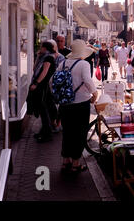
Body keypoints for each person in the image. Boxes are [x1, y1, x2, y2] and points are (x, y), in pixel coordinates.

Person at [57, 39, 97, 174]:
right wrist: (95, 93)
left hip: (64, 104)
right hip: (80, 104)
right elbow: (87, 80)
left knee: (67, 132)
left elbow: (53, 81)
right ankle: (76, 163)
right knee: (79, 133)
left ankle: (65, 161)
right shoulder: (83, 64)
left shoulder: (62, 64)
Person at [28, 41, 57, 142]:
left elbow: (44, 72)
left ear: (45, 48)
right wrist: (37, 57)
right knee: (43, 109)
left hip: (44, 87)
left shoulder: (49, 58)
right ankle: (44, 131)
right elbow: (34, 69)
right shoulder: (43, 57)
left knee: (43, 109)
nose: (40, 49)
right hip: (42, 87)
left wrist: (36, 83)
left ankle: (47, 133)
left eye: (41, 47)